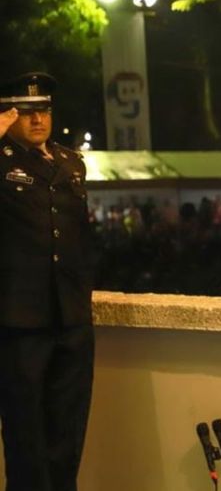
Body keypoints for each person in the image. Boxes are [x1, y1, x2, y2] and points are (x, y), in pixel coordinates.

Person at [0, 72, 95, 491]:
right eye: (26, 111)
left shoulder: (71, 163)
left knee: (67, 433)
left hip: (71, 318)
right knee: (26, 438)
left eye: (44, 110)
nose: (37, 119)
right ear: (9, 114)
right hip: (20, 323)